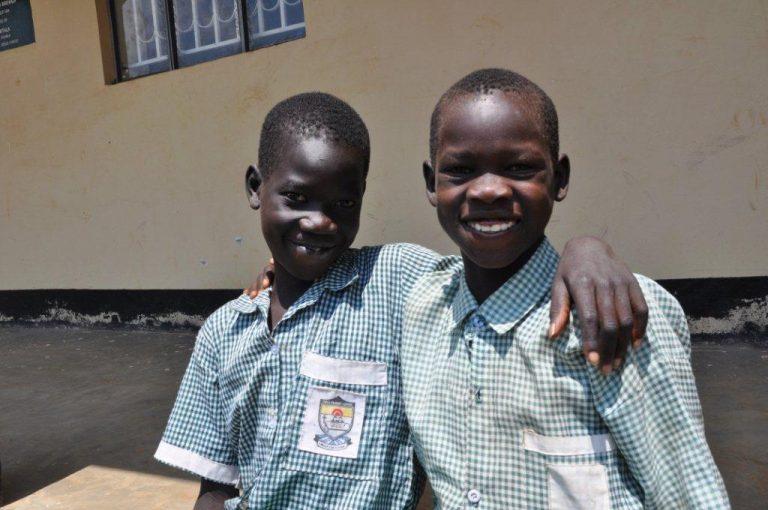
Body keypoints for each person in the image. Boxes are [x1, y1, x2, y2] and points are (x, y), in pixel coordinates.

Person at [156, 92, 646, 510]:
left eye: (343, 204)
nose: (320, 222)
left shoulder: (393, 279)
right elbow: (215, 488)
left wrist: (585, 250)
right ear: (255, 188)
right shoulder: (223, 333)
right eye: (297, 198)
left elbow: (496, 264)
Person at [401, 68, 730, 509]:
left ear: (559, 178)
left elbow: (687, 494)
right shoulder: (421, 303)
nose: (489, 190)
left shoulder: (612, 314)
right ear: (431, 183)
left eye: (519, 168)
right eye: (461, 170)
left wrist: (588, 245)